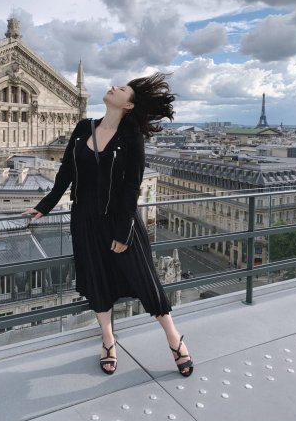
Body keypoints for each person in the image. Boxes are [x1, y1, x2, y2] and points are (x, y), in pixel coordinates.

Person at [23, 72, 193, 377]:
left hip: (120, 221)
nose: (114, 87)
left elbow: (132, 187)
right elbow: (66, 173)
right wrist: (45, 205)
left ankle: (174, 338)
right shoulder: (82, 127)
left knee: (146, 279)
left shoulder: (131, 137)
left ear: (128, 105)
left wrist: (124, 230)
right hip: (84, 219)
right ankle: (108, 341)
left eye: (122, 89)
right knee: (96, 279)